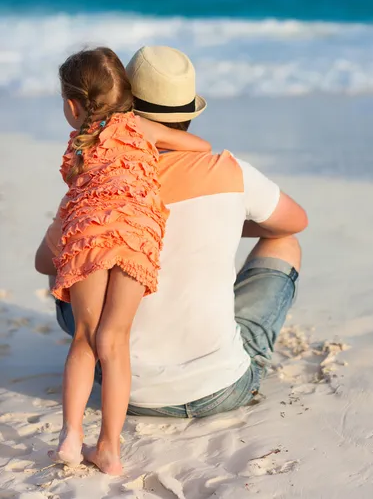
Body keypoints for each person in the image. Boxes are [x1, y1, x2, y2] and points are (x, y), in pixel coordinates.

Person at [35, 45, 307, 429]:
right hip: (219, 389)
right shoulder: (226, 171)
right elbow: (295, 222)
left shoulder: (96, 181)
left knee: (70, 254)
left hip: (124, 388)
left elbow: (45, 264)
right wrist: (225, 222)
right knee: (284, 242)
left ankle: (93, 353)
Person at [48, 47, 210, 475]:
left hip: (90, 234)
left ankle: (69, 437)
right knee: (114, 342)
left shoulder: (76, 143)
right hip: (135, 234)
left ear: (72, 105)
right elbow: (200, 145)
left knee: (84, 338)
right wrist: (152, 142)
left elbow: (75, 189)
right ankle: (109, 451)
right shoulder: (140, 126)